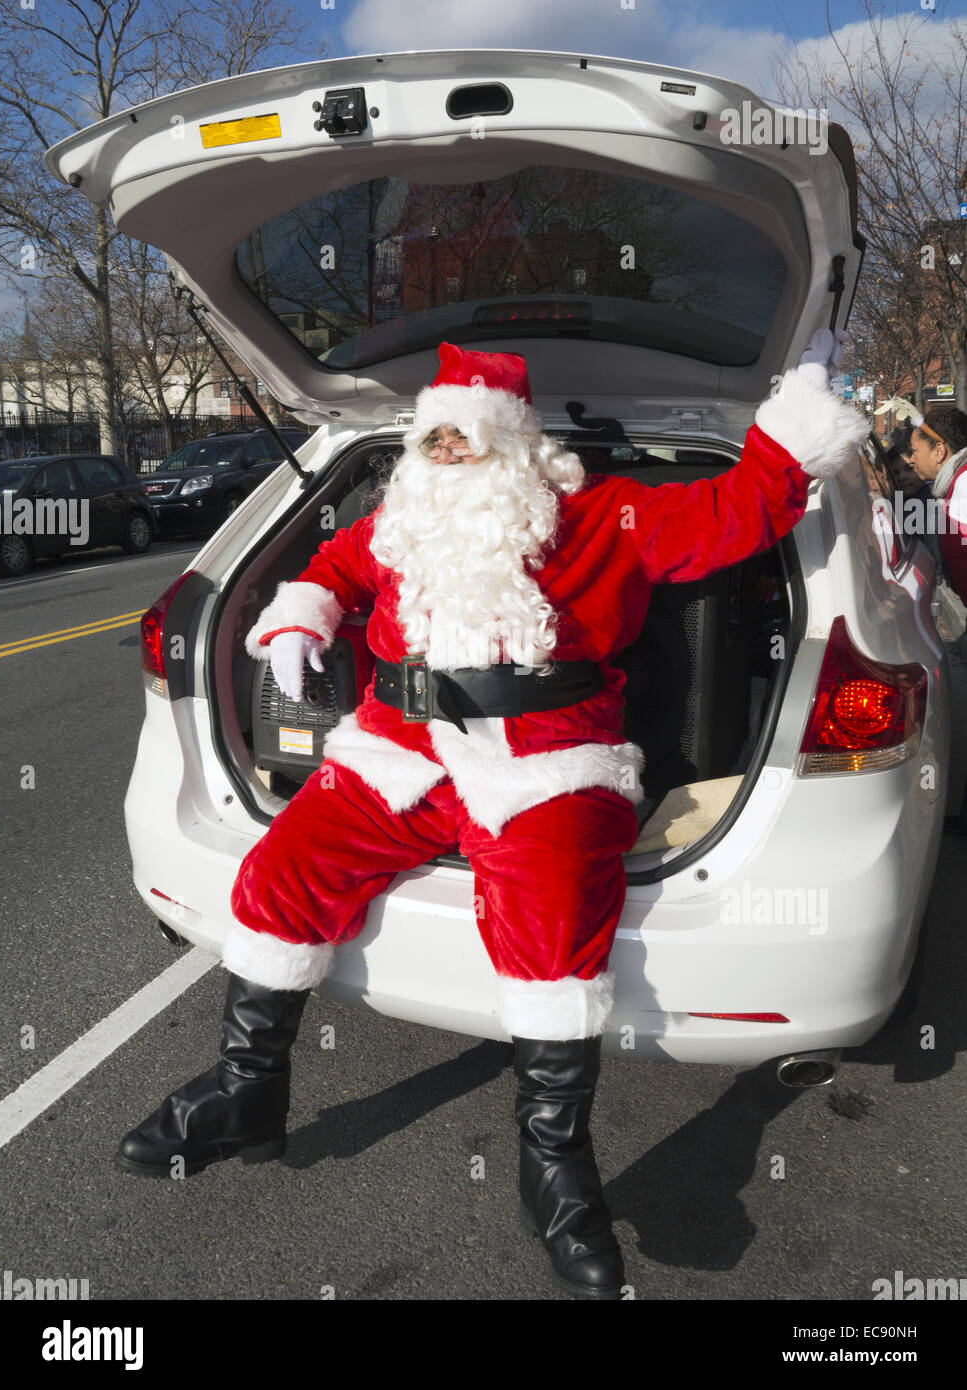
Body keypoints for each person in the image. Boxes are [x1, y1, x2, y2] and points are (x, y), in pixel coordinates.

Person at [115, 337, 869, 1299]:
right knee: (281, 871)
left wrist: (787, 435)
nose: (443, 459)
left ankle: (551, 1161)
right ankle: (245, 1090)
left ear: (515, 445)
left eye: (460, 442)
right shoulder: (402, 520)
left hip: (549, 760)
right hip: (399, 746)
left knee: (554, 921)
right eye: (431, 443)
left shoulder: (603, 513)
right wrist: (303, 613)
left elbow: (727, 514)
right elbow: (338, 565)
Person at [904, 404, 967, 835]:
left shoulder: (962, 492)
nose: (911, 459)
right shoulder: (953, 488)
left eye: (915, 449)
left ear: (939, 449)